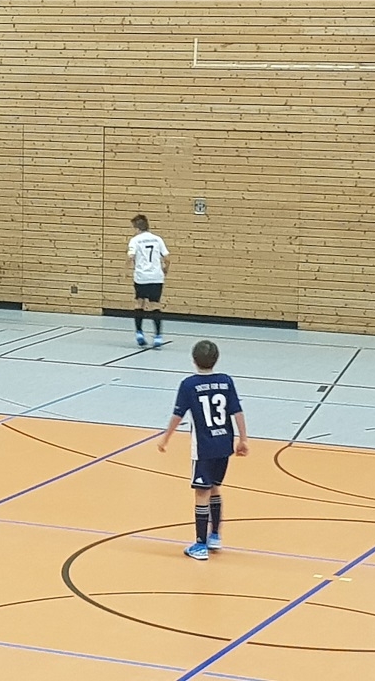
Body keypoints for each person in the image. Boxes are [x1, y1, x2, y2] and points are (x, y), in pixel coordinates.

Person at [157, 339, 249, 561]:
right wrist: (243, 439)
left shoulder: (189, 385)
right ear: (216, 359)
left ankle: (200, 545)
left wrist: (166, 438)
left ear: (193, 360)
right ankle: (215, 535)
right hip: (224, 444)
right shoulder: (226, 381)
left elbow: (178, 415)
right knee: (215, 487)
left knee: (201, 493)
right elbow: (237, 411)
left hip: (204, 448)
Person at [127, 214, 169, 348]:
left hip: (141, 277)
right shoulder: (157, 239)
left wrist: (128, 265)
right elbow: (167, 258)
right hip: (156, 276)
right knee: (155, 305)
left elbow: (131, 256)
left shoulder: (135, 240)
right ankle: (158, 337)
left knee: (139, 303)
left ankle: (139, 333)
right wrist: (165, 269)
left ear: (136, 228)